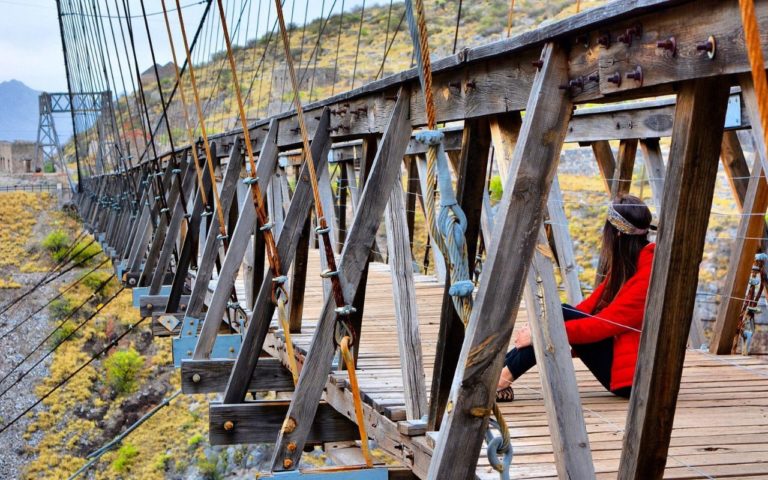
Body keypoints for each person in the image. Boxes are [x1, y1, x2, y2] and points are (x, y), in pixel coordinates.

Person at [496, 194, 656, 402]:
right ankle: (500, 372)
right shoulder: (631, 261)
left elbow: (604, 325)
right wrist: (543, 328)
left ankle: (500, 378)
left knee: (555, 320)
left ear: (616, 234)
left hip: (631, 379)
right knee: (558, 313)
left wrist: (541, 334)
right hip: (624, 361)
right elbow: (587, 308)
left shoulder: (648, 271)